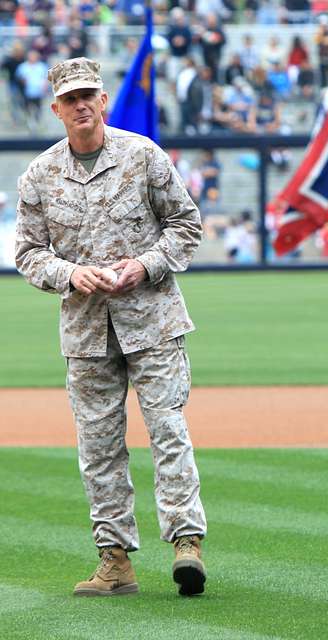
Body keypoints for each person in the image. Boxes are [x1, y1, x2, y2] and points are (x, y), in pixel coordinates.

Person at [15, 57, 207, 598]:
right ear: (56, 109)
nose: (80, 105)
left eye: (89, 95)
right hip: (86, 331)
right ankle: (114, 560)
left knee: (168, 431)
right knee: (99, 447)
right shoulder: (40, 174)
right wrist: (71, 273)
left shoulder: (143, 155)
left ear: (103, 102)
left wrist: (145, 265)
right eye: (70, 98)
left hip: (152, 321)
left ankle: (186, 545)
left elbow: (186, 225)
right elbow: (28, 253)